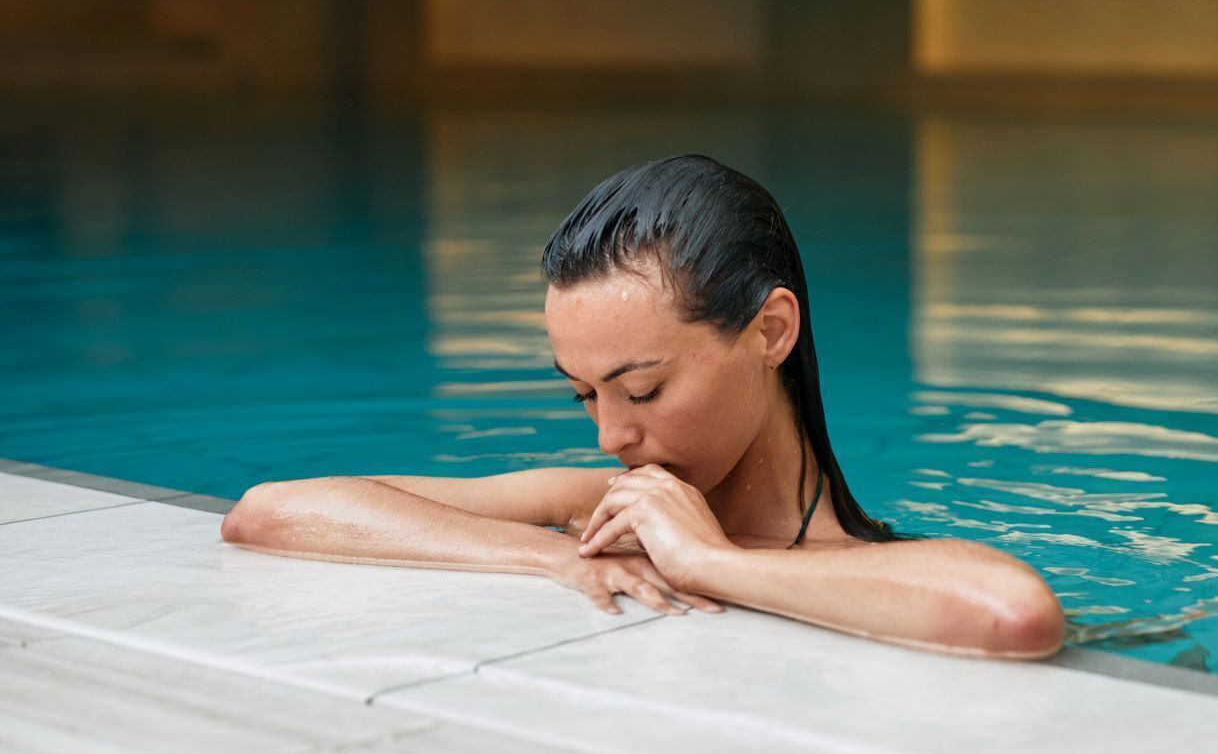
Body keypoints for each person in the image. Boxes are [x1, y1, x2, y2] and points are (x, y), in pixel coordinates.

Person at [221, 154, 1067, 659]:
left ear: (770, 331)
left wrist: (710, 562)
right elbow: (270, 511)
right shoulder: (601, 512)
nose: (611, 435)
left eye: (643, 390)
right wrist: (548, 557)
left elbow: (1015, 612)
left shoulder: (870, 563)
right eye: (584, 394)